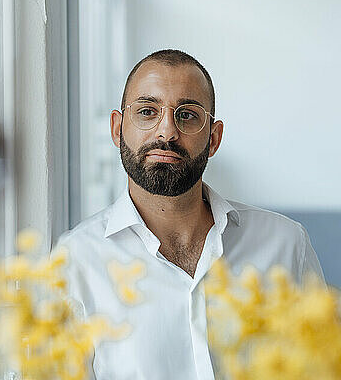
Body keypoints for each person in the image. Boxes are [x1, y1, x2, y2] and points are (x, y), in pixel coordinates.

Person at [56, 49, 324, 380]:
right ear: (116, 128)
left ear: (213, 139)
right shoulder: (76, 260)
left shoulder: (286, 245)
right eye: (147, 111)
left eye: (186, 115)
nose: (166, 132)